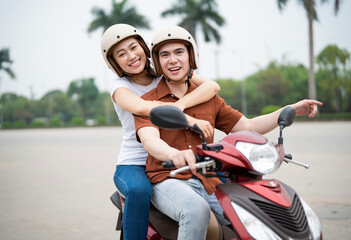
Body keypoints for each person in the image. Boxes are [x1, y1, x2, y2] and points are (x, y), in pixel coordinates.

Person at [134, 25, 323, 240]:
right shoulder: (148, 102)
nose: (173, 60)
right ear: (158, 62)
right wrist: (173, 154)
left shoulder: (209, 99)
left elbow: (248, 127)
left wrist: (291, 109)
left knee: (250, 214)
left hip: (208, 179)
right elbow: (150, 141)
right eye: (164, 55)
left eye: (179, 52)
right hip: (168, 179)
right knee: (195, 210)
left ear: (190, 57)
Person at [101, 23, 221, 240]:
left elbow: (211, 86)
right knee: (139, 191)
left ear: (144, 48)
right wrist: (188, 119)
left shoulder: (162, 74)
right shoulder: (120, 87)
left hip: (170, 156)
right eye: (121, 54)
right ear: (114, 62)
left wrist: (181, 105)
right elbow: (141, 107)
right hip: (135, 162)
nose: (131, 56)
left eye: (133, 47)